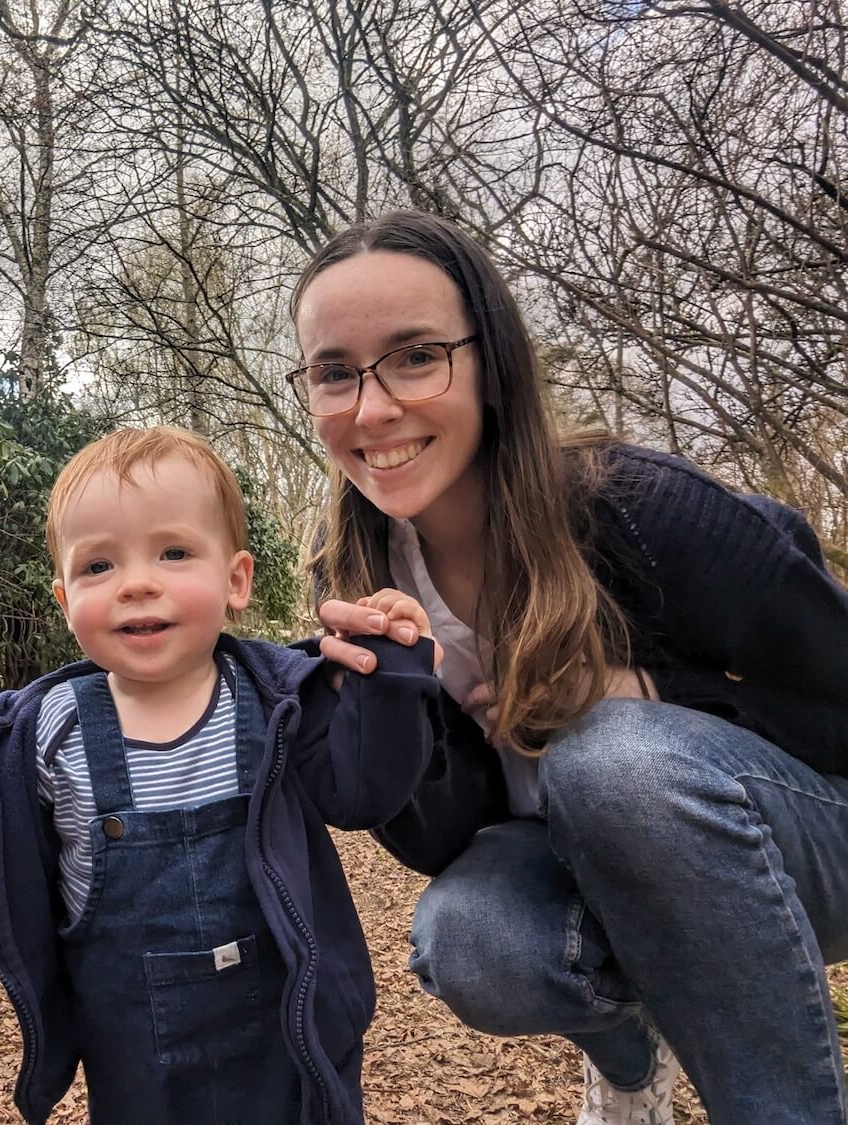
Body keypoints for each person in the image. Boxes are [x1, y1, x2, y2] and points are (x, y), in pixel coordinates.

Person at [287, 209, 848, 1125]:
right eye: (333, 372)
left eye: (417, 355)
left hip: (803, 840)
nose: (371, 407)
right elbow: (445, 840)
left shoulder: (640, 510)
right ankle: (632, 1068)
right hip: (587, 862)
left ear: (492, 362)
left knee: (612, 756)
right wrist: (389, 715)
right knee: (467, 937)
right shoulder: (349, 569)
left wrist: (657, 696)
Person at [0, 425, 446, 1124]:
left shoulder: (279, 701)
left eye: (174, 552)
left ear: (236, 579)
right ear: (65, 603)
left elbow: (365, 789)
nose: (138, 583)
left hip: (292, 1048)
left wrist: (391, 673)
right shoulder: (44, 730)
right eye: (99, 566)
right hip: (133, 1062)